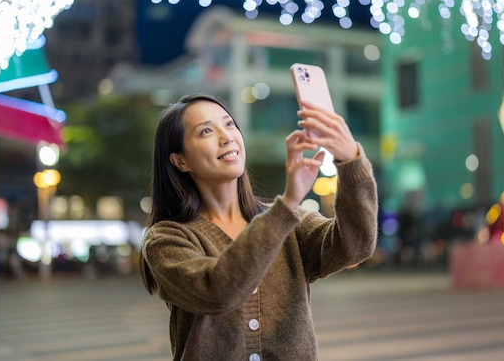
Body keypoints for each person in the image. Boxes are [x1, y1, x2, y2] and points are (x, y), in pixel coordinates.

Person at [140, 93, 378, 360]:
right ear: (180, 160)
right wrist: (287, 204)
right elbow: (216, 291)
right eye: (206, 130)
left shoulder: (289, 222)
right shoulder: (166, 238)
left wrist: (350, 161)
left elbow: (354, 246)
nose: (226, 136)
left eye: (229, 124)